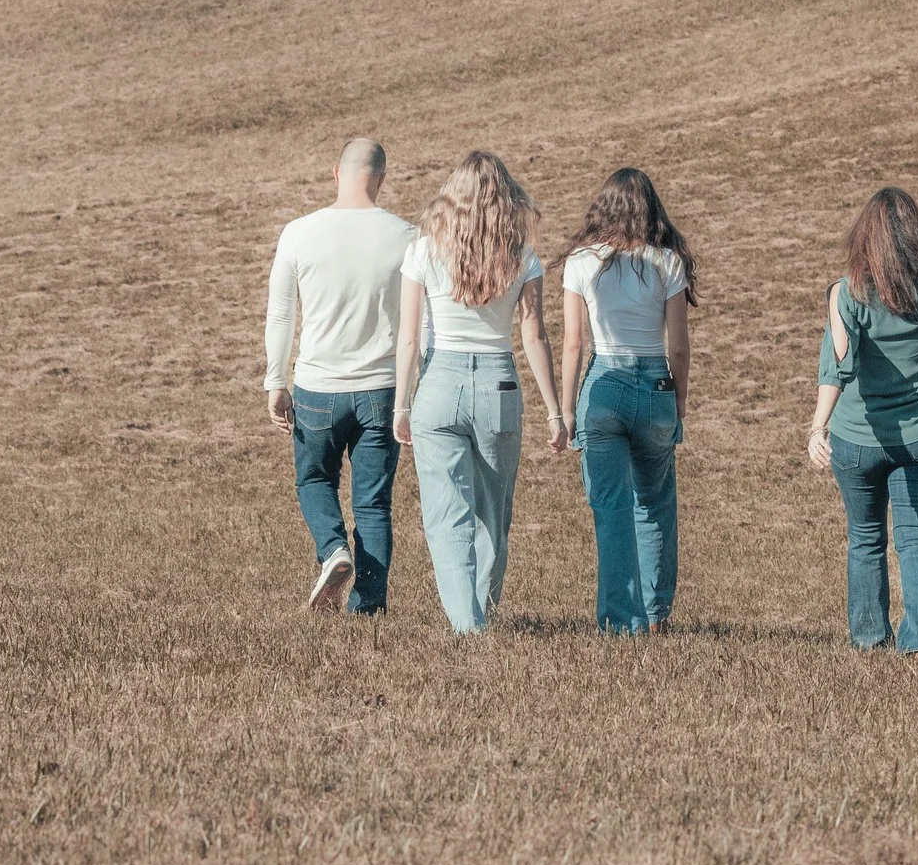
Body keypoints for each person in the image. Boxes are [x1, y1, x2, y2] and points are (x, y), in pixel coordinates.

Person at [392, 151, 564, 634]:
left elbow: (408, 337)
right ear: (506, 199)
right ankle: (480, 614)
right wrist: (554, 412)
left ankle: (467, 625)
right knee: (494, 511)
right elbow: (534, 334)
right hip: (499, 385)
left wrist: (401, 403)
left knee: (446, 515)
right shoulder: (523, 256)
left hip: (439, 384)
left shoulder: (424, 251)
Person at [808, 187, 918, 654]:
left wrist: (817, 428)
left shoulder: (847, 293)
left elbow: (836, 367)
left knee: (865, 539)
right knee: (916, 540)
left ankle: (869, 639)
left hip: (857, 440)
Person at [265, 138, 418, 615]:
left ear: (336, 172)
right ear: (383, 177)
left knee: (315, 481)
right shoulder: (407, 236)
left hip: (317, 387)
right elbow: (421, 324)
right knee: (373, 504)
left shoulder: (298, 232)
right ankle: (369, 607)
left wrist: (275, 381)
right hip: (380, 388)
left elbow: (281, 315)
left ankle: (333, 550)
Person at [556, 168, 695, 636]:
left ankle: (620, 620)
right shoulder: (667, 261)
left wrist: (567, 407)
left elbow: (573, 343)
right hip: (656, 382)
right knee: (654, 502)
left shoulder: (581, 260)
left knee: (611, 506)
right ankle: (656, 615)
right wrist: (679, 399)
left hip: (604, 384)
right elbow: (678, 345)